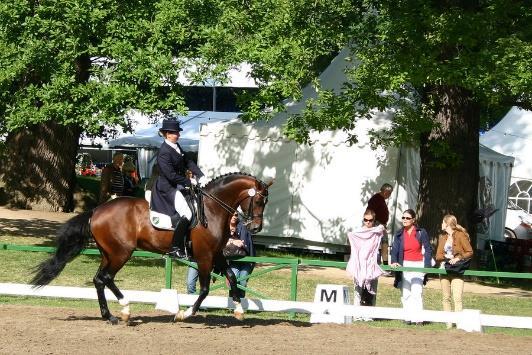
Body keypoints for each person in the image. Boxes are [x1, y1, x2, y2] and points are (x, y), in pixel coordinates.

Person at [150, 119, 208, 258]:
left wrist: (201, 175)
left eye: (177, 132)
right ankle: (175, 247)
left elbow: (188, 161)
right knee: (187, 213)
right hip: (167, 188)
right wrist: (189, 181)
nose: (177, 135)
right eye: (174, 133)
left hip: (179, 184)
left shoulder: (176, 146)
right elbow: (170, 175)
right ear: (166, 134)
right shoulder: (164, 152)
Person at [390, 209, 432, 325]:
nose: (405, 220)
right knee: (406, 293)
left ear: (413, 220)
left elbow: (428, 249)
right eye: (403, 218)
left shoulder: (421, 232)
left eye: (407, 218)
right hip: (404, 265)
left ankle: (418, 319)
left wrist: (426, 267)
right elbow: (394, 250)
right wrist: (393, 261)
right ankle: (407, 318)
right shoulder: (399, 234)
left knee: (416, 292)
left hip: (418, 265)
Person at [435, 214, 473, 329]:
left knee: (457, 298)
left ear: (447, 224)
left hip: (457, 270)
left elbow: (469, 252)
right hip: (444, 269)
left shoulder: (461, 236)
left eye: (442, 222)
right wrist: (447, 258)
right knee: (446, 297)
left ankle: (459, 324)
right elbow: (438, 256)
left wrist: (458, 258)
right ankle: (448, 323)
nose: (441, 224)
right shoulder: (443, 237)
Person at [346, 209, 384, 319]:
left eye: (370, 220)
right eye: (365, 220)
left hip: (372, 264)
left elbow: (383, 243)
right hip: (359, 265)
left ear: (374, 220)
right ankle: (357, 314)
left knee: (372, 290)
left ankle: (369, 315)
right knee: (358, 290)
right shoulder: (357, 232)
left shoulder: (377, 232)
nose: (367, 222)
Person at [226, 212, 255, 298]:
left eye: (236, 215)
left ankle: (242, 303)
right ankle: (233, 302)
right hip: (233, 261)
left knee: (242, 281)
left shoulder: (242, 227)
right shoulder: (224, 227)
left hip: (246, 260)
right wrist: (233, 241)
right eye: (232, 214)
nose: (234, 217)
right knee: (232, 280)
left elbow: (245, 244)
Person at [367, 183, 393, 265]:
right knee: (379, 244)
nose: (389, 195)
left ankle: (384, 264)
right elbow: (369, 213)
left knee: (384, 243)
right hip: (376, 224)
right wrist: (372, 225)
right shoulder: (376, 199)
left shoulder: (380, 199)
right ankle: (376, 263)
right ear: (386, 192)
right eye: (390, 193)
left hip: (381, 224)